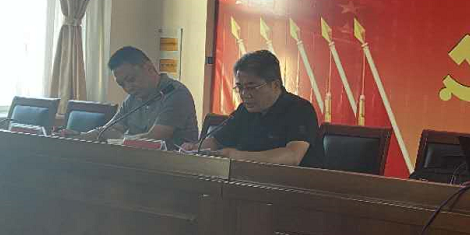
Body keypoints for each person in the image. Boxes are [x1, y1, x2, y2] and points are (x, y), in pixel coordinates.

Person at [185, 49, 323, 167]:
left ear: (275, 85)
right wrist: (194, 149)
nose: (244, 94)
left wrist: (237, 156)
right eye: (240, 87)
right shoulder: (244, 111)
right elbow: (216, 142)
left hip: (292, 186)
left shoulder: (300, 109)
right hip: (248, 181)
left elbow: (292, 156)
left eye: (251, 87)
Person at [66, 46, 198, 147]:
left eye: (131, 79)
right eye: (122, 84)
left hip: (171, 168)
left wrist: (119, 139)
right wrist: (77, 137)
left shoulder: (175, 94)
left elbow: (155, 139)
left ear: (149, 68)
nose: (128, 88)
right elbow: (109, 129)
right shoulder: (133, 98)